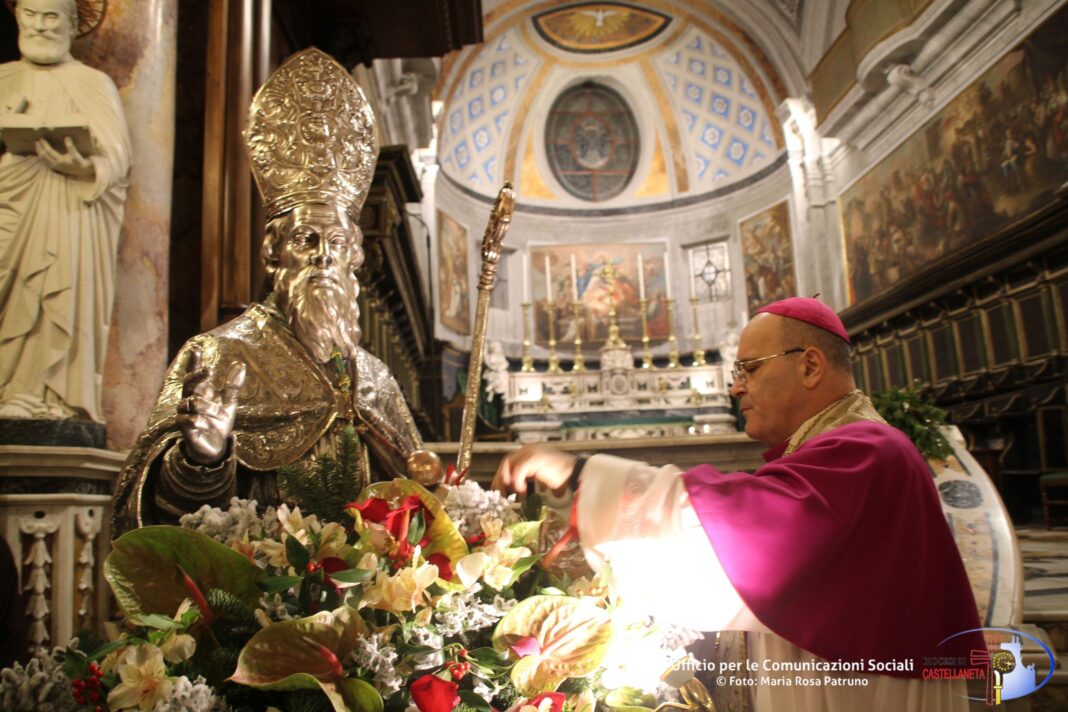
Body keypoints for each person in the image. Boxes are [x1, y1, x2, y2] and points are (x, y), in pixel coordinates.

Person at [494, 297, 984, 711]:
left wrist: (580, 477)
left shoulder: (867, 451)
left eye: (749, 369)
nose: (735, 388)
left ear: (810, 365)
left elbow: (729, 537)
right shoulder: (846, 448)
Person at [112, 49, 422, 535]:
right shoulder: (217, 356)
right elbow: (154, 516)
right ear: (274, 253)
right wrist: (203, 458)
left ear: (354, 258)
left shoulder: (376, 380)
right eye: (306, 239)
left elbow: (415, 504)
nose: (324, 256)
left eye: (337, 242)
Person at [0, 0, 131, 422]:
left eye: (51, 16)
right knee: (13, 289)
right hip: (10, 199)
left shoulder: (92, 83)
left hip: (68, 210)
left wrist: (85, 167)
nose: (39, 26)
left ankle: (48, 398)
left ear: (73, 25)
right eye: (30, 15)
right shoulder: (3, 79)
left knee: (53, 292)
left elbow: (117, 156)